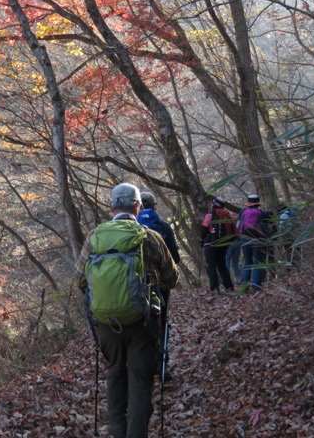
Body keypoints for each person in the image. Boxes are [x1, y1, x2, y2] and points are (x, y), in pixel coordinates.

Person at [74, 183, 179, 438]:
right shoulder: (149, 237)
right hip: (142, 323)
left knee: (114, 376)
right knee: (141, 383)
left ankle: (118, 433)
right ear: (137, 206)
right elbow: (172, 279)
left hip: (107, 324)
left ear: (111, 207)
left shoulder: (94, 237)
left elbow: (79, 279)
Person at [137, 191, 180, 383]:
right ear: (154, 206)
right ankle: (162, 367)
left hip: (133, 287)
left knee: (137, 326)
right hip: (159, 286)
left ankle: (141, 367)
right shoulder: (162, 228)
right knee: (160, 324)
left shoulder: (130, 229)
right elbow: (175, 259)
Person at [236, 194, 275, 291]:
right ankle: (256, 288)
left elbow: (237, 226)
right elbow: (267, 220)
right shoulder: (260, 212)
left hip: (244, 239)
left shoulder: (242, 212)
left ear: (248, 203)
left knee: (247, 262)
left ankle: (244, 288)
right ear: (258, 203)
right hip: (256, 239)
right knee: (257, 262)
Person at [200, 196, 235, 294]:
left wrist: (202, 239)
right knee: (222, 266)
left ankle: (214, 289)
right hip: (223, 245)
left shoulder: (210, 215)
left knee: (211, 267)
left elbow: (204, 229)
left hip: (210, 245)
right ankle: (229, 287)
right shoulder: (227, 215)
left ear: (214, 204)